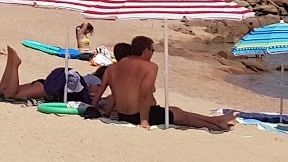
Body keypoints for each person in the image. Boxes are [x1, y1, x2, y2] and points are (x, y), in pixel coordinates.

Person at [90, 36, 235, 131]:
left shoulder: (112, 67)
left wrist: (95, 108)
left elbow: (105, 91)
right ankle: (217, 125)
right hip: (140, 115)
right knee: (183, 118)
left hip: (123, 115)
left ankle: (216, 120)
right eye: (152, 50)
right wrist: (144, 121)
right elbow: (145, 95)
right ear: (146, 50)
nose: (152, 53)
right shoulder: (149, 66)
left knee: (176, 111)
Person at [0, 46, 93, 103]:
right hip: (47, 89)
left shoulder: (91, 79)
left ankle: (10, 64)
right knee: (10, 94)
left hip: (46, 84)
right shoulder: (96, 82)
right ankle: (14, 65)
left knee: (2, 91)